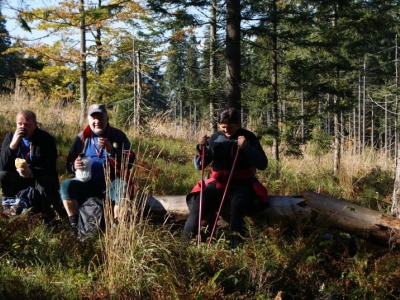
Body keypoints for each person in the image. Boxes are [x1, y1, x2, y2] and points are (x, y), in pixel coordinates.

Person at [182, 107, 269, 250]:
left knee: (237, 211)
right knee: (197, 208)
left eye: (230, 127)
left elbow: (263, 164)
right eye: (223, 127)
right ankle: (183, 248)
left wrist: (247, 148)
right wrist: (200, 148)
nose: (226, 130)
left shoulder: (249, 137)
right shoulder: (215, 138)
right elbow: (199, 166)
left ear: (238, 124)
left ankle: (236, 251)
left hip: (242, 183)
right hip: (218, 182)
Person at [60, 104, 135, 229]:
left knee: (123, 189)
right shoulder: (81, 137)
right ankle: (74, 224)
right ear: (88, 119)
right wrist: (74, 166)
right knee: (66, 186)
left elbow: (131, 159)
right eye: (93, 118)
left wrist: (112, 151)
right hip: (85, 182)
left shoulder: (118, 135)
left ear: (107, 118)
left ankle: (117, 227)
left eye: (100, 118)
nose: (97, 122)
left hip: (111, 182)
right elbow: (68, 163)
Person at [0, 109, 65, 220]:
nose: (22, 127)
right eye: (19, 124)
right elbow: (2, 165)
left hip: (38, 177)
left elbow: (50, 167)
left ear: (35, 125)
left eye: (26, 124)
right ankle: (10, 215)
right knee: (3, 175)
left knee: (45, 181)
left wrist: (31, 171)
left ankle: (43, 217)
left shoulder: (46, 139)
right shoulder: (10, 137)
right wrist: (13, 145)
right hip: (17, 177)